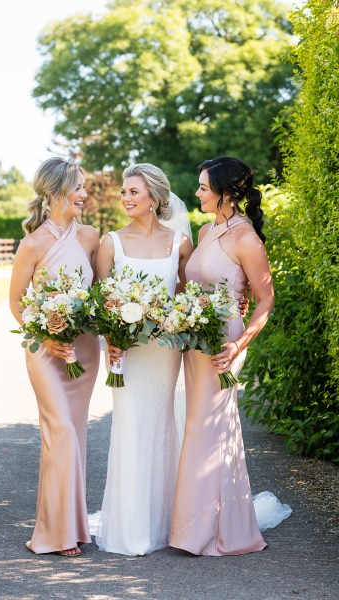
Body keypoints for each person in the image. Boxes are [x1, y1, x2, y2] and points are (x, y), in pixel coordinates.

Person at [169, 156, 291, 557]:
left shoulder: (246, 238)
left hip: (224, 344)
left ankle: (213, 530)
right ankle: (199, 522)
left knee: (212, 428)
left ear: (225, 193)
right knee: (199, 427)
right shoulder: (206, 232)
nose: (198, 193)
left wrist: (239, 345)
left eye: (204, 187)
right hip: (195, 341)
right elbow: (193, 288)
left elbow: (265, 300)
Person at [91, 163, 193, 555]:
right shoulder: (110, 242)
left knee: (162, 428)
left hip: (164, 354)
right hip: (127, 354)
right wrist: (109, 340)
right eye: (124, 191)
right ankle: (130, 529)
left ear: (154, 198)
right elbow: (101, 303)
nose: (125, 198)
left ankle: (164, 522)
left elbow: (189, 299)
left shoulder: (179, 243)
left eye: (133, 192)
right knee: (131, 428)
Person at [9, 157, 100, 557]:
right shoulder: (33, 244)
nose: (84, 194)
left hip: (84, 350)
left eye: (84, 187)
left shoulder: (91, 237)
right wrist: (44, 337)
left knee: (74, 436)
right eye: (78, 187)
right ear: (54, 192)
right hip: (45, 351)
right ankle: (52, 532)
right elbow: (15, 302)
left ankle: (73, 526)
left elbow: (102, 294)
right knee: (59, 431)